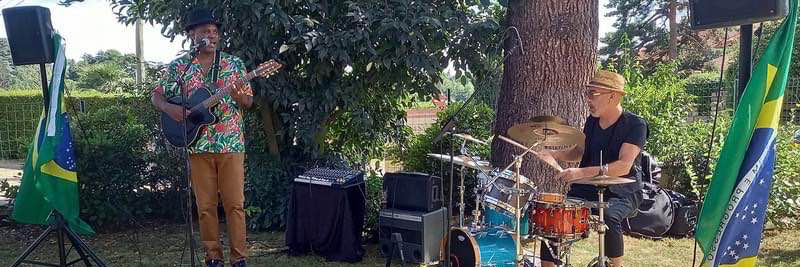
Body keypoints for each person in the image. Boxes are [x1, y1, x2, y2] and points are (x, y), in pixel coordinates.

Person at [150, 8, 253, 267]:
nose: (212, 35)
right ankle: (213, 258)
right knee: (205, 206)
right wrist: (169, 108)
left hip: (230, 143)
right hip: (196, 144)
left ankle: (238, 258)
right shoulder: (180, 67)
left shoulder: (233, 64)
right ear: (192, 35)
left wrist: (240, 96)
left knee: (234, 204)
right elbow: (157, 94)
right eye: (206, 31)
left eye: (215, 32)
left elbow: (248, 101)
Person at [534, 70, 646, 267]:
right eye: (587, 93)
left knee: (609, 216)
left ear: (613, 96)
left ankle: (615, 265)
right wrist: (553, 153)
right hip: (588, 189)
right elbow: (579, 151)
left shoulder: (635, 125)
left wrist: (581, 173)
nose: (587, 99)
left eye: (593, 94)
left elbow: (623, 166)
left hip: (623, 191)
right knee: (555, 211)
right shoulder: (592, 121)